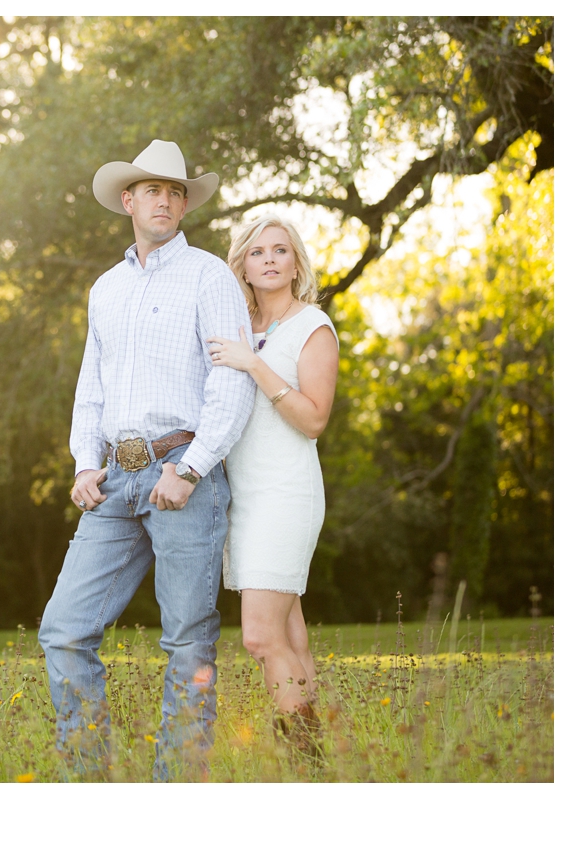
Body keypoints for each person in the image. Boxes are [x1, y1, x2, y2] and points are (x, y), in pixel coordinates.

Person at [37, 139, 256, 778]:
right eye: (152, 190)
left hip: (182, 470)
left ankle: (174, 793)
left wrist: (191, 469)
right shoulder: (105, 288)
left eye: (175, 191)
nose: (164, 200)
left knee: (188, 640)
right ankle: (88, 780)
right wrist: (84, 463)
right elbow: (91, 386)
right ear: (127, 200)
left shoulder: (209, 275)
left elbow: (231, 382)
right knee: (65, 630)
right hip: (115, 480)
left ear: (184, 203)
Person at [205, 214, 339, 753]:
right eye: (258, 252)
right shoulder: (237, 326)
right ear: (243, 263)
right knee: (289, 635)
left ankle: (304, 754)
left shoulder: (313, 326)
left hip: (287, 492)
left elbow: (313, 420)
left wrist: (253, 365)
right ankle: (324, 760)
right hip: (245, 495)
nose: (269, 260)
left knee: (260, 636)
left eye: (280, 251)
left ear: (295, 263)